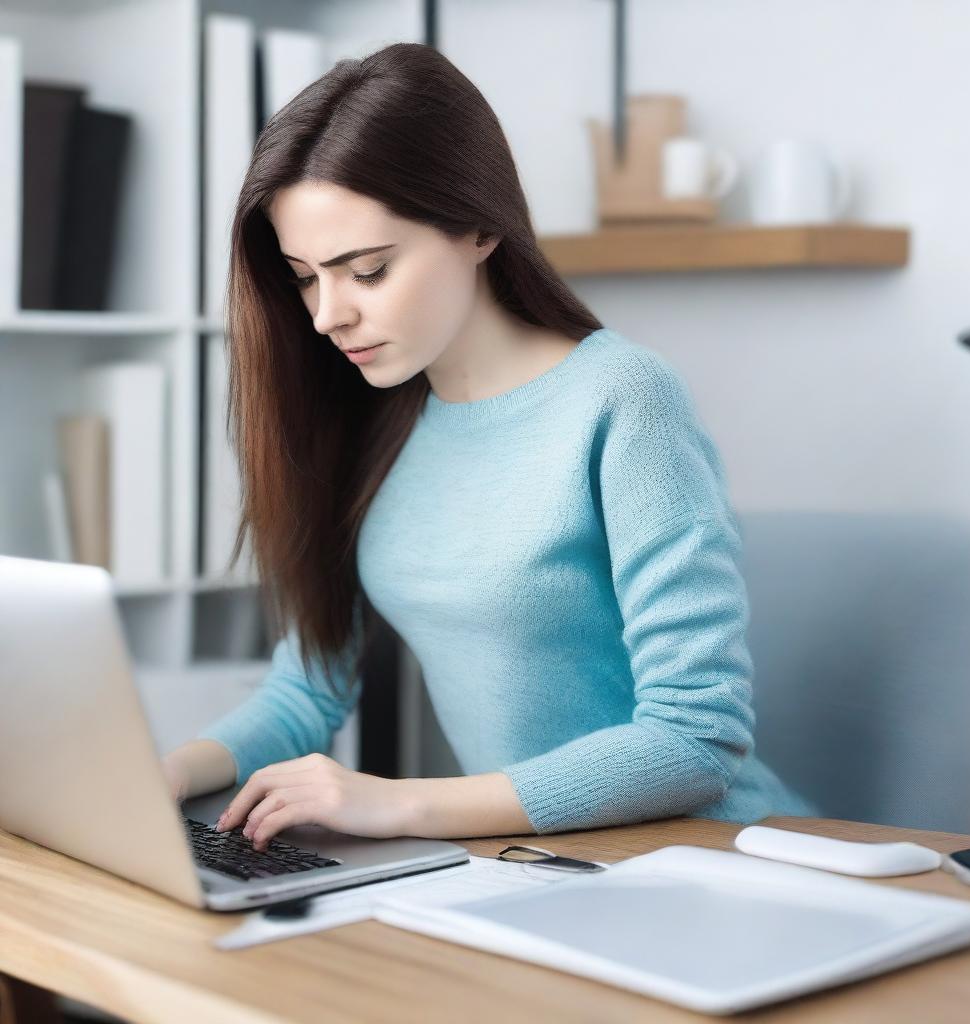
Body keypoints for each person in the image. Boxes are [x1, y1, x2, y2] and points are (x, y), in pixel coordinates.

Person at [161, 42, 815, 852]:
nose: (328, 315)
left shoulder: (623, 400)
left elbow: (696, 740)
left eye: (366, 270)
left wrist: (403, 805)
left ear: (476, 226)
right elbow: (306, 691)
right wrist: (162, 773)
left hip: (706, 859)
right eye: (304, 276)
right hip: (536, 867)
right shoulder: (374, 414)